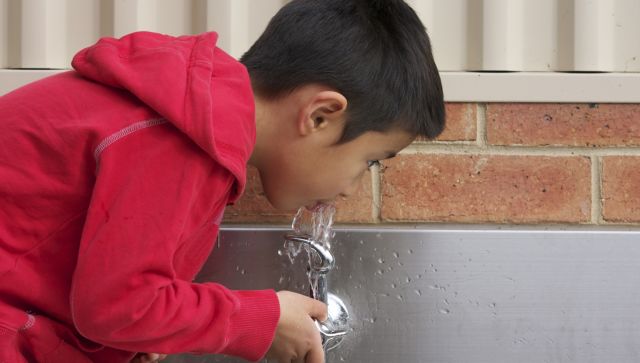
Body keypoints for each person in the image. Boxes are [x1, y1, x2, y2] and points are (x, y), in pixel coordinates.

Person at [0, 0, 444, 361]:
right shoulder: (174, 138)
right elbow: (115, 307)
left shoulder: (193, 121)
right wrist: (260, 319)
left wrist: (149, 330)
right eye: (370, 160)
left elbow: (109, 298)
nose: (351, 188)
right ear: (320, 115)